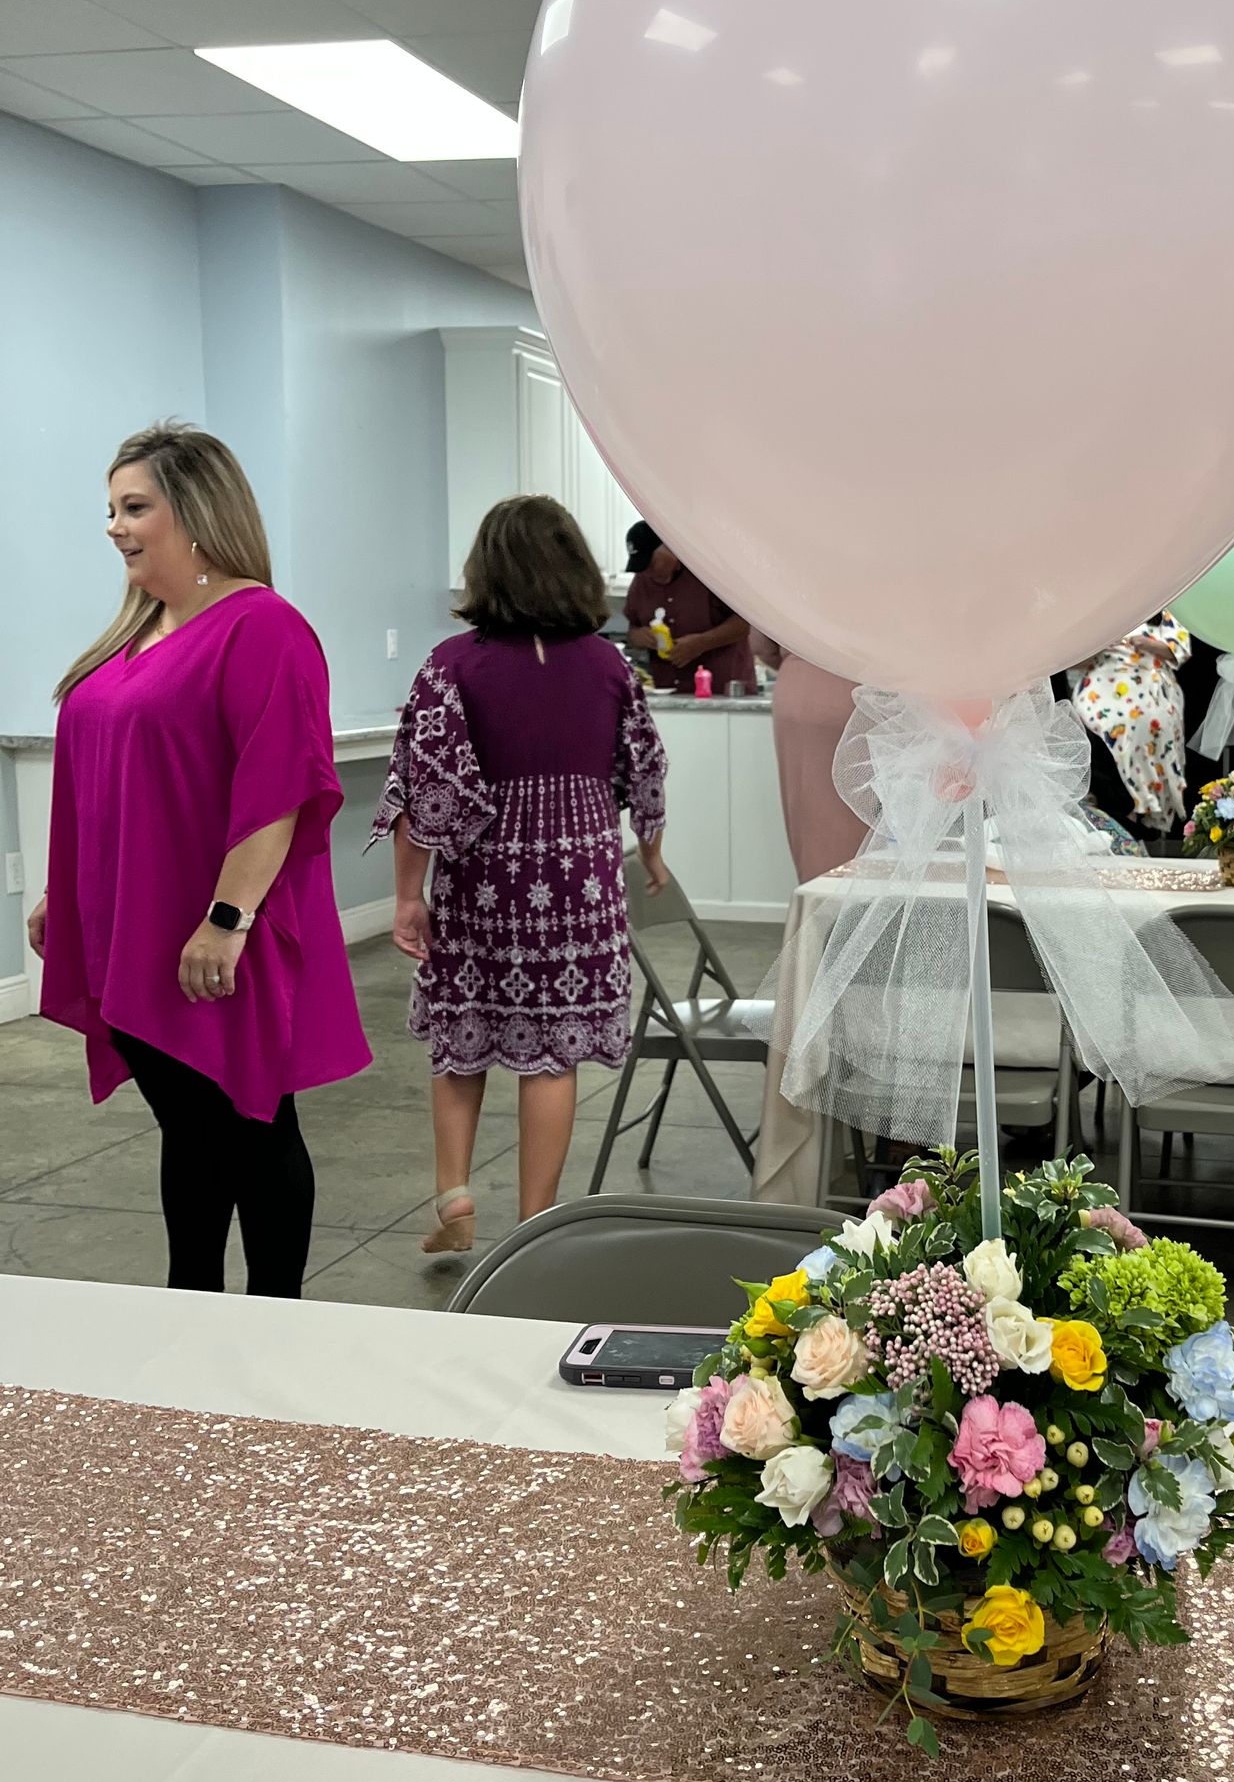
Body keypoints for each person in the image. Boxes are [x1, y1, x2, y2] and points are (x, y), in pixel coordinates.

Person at [28, 423, 369, 1295]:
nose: (115, 526)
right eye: (111, 509)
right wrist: (63, 897)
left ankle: (275, 1313)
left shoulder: (261, 626)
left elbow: (281, 786)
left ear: (195, 511)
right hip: (127, 922)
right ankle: (192, 1306)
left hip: (213, 928)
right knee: (191, 1124)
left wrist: (227, 920)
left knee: (248, 1120)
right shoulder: (135, 631)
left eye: (134, 506)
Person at [376, 497, 669, 1254]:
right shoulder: (610, 665)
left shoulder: (452, 666)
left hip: (483, 881)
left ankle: (455, 1196)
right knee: (551, 1052)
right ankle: (533, 1226)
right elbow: (645, 765)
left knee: (462, 1036)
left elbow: (422, 789)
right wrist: (652, 847)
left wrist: (409, 897)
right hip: (580, 883)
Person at [1065, 612, 1192, 840]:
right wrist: (1098, 646)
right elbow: (1071, 661)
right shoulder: (1108, 611)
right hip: (1103, 681)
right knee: (1091, 719)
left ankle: (1139, 801)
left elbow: (1179, 651)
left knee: (1137, 724)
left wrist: (1147, 644)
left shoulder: (1165, 616)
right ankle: (1105, 797)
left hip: (1145, 682)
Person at [764, 641, 864, 883]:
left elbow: (762, 639)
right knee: (863, 823)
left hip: (801, 682)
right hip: (867, 685)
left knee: (810, 819)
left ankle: (818, 906)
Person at [624, 518, 754, 697]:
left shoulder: (710, 569)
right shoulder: (642, 581)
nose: (648, 572)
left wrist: (701, 643)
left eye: (651, 564)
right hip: (668, 690)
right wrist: (639, 637)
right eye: (641, 567)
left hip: (722, 691)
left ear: (670, 546)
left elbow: (746, 622)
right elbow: (632, 630)